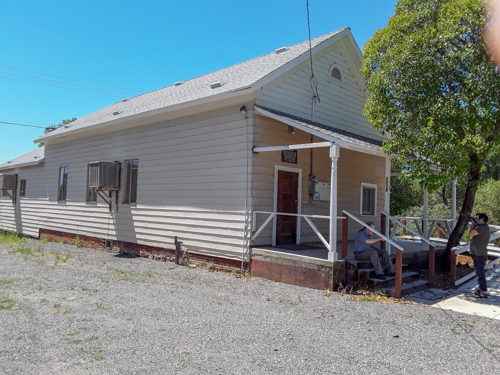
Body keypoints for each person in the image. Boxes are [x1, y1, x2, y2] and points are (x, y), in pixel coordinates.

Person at [469, 213, 491, 298]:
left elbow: (471, 233)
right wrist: (474, 224)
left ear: (482, 219)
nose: (475, 219)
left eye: (477, 218)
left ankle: (483, 291)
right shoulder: (481, 227)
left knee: (480, 273)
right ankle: (481, 290)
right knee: (479, 273)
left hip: (480, 254)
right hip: (477, 253)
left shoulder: (483, 227)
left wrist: (472, 224)